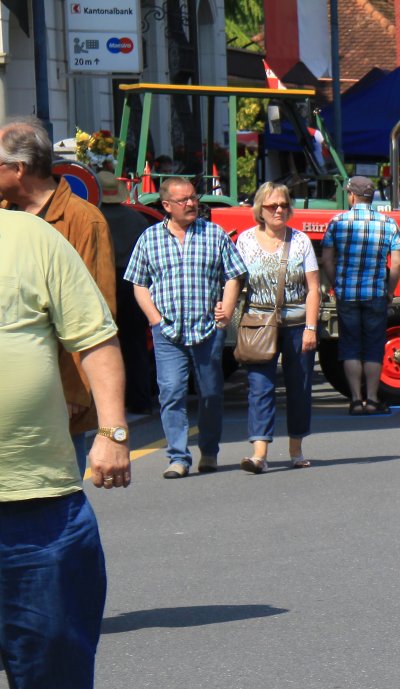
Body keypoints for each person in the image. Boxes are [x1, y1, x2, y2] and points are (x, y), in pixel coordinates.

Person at [0, 207, 131, 689]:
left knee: (51, 646)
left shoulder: (31, 239)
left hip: (37, 494)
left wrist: (113, 430)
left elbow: (93, 337)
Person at [1, 117, 118, 469]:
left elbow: (96, 316)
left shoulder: (83, 220)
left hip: (58, 392)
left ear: (19, 168)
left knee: (55, 491)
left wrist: (75, 388)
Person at [125, 176, 246, 478]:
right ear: (167, 205)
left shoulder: (214, 234)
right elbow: (139, 283)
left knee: (211, 393)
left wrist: (227, 308)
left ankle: (209, 451)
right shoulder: (149, 238)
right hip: (167, 331)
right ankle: (178, 457)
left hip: (207, 329)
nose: (192, 204)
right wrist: (154, 319)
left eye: (194, 197)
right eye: (184, 200)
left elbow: (234, 275)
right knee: (171, 393)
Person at [234, 182, 319, 472]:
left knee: (300, 388)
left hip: (297, 325)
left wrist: (311, 327)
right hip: (258, 324)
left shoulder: (301, 241)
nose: (279, 210)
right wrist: (224, 311)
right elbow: (235, 282)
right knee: (260, 388)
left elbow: (313, 288)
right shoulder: (245, 241)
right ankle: (259, 454)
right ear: (260, 209)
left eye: (283, 204)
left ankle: (296, 449)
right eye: (273, 206)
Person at [321, 175, 400, 415]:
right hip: (375, 293)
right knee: (373, 347)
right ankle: (373, 399)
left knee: (350, 347)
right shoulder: (388, 224)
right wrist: (390, 289)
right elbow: (397, 263)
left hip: (347, 293)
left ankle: (356, 400)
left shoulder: (337, 222)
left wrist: (337, 283)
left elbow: (327, 259)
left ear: (352, 196)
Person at [96, 170, 156, 416]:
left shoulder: (92, 215)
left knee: (102, 344)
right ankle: (140, 399)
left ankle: (106, 402)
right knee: (136, 343)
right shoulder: (136, 219)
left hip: (102, 281)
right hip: (133, 284)